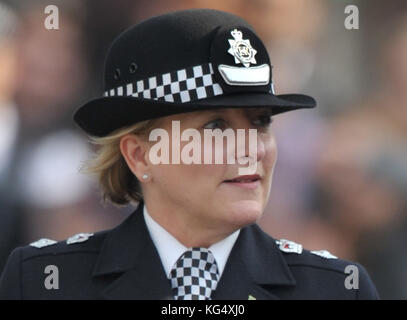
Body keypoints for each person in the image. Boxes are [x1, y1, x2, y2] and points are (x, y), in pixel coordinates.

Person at [0, 9, 378, 300]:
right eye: (216, 127)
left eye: (261, 122)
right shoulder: (43, 281)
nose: (252, 149)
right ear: (140, 156)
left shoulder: (336, 289)